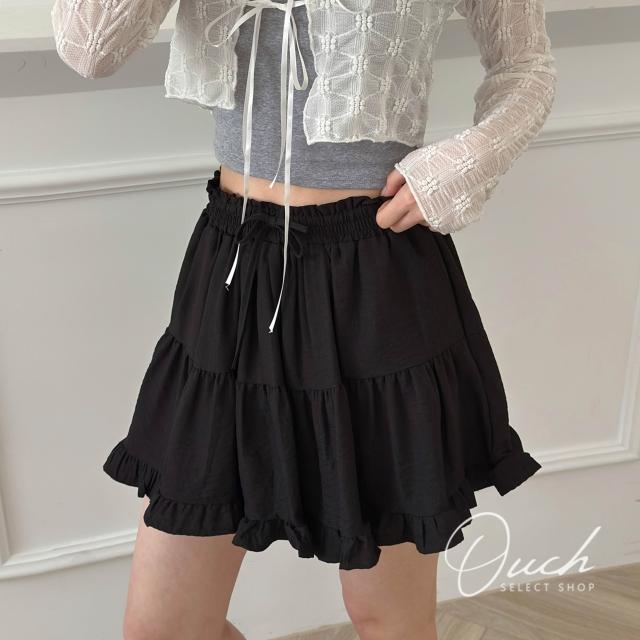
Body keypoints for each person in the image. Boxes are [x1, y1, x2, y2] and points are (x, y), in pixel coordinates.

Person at [51, 1, 557, 638]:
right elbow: (90, 48)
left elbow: (526, 67)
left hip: (375, 273)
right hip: (233, 267)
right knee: (164, 628)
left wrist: (465, 163)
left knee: (388, 620)